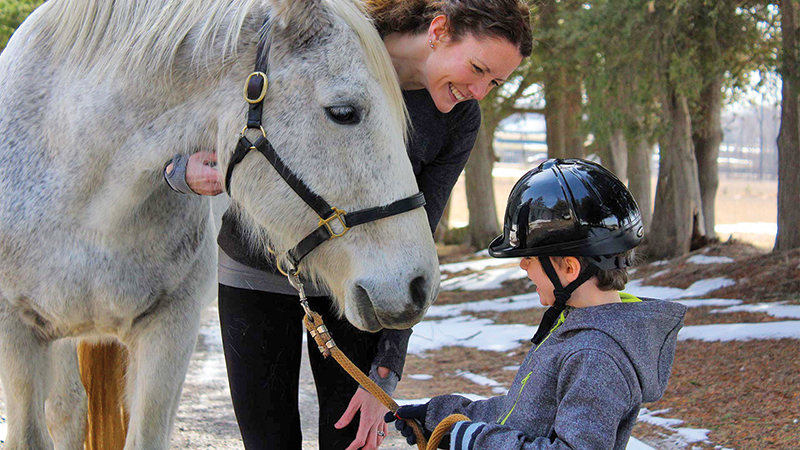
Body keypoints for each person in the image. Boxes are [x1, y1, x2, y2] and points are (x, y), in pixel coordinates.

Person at [164, 1, 533, 449]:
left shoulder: (458, 119)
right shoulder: (324, 50)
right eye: (477, 68)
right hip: (255, 272)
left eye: (494, 82)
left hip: (358, 288)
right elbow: (198, 111)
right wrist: (179, 172)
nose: (479, 91)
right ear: (438, 31)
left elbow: (418, 241)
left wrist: (384, 374)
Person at [385, 158, 688, 450]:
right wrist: (441, 416)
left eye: (530, 258)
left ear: (569, 268)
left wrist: (472, 440)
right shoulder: (575, 328)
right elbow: (520, 415)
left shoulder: (596, 357)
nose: (524, 267)